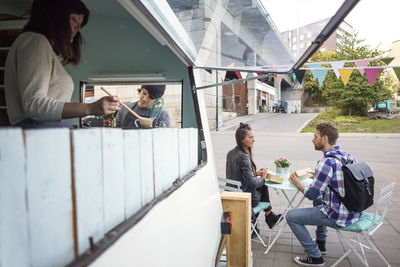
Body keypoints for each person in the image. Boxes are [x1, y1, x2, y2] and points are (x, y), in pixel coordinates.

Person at [4, 0, 120, 129]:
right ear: (54, 16)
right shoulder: (35, 41)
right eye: (74, 19)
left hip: (45, 136)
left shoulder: (39, 44)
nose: (78, 28)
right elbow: (34, 104)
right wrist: (90, 108)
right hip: (39, 137)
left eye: (80, 23)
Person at [287, 122, 361, 266]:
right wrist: (319, 176)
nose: (313, 140)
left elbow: (312, 194)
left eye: (315, 136)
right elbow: (341, 182)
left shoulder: (326, 162)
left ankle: (315, 256)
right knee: (319, 201)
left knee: (291, 216)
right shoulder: (347, 156)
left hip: (339, 216)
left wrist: (299, 185)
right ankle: (321, 243)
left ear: (325, 138)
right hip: (353, 211)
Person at [226, 122, 281, 231]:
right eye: (250, 138)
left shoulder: (230, 153)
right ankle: (267, 216)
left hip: (232, 194)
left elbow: (238, 174)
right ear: (242, 139)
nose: (253, 140)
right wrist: (264, 177)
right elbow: (253, 183)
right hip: (245, 198)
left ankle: (268, 216)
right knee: (263, 183)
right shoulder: (244, 156)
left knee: (261, 181)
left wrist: (256, 174)